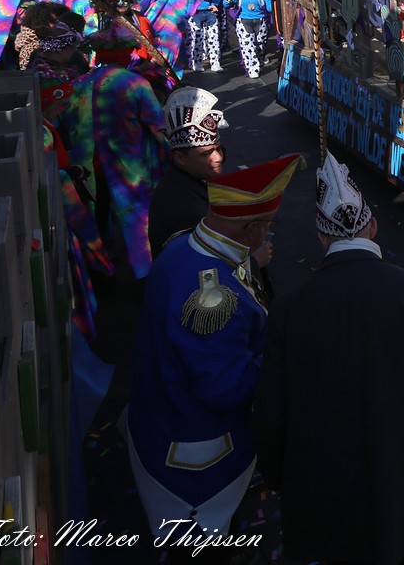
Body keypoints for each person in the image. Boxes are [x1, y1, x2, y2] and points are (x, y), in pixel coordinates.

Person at [254, 152, 404, 565]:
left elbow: (272, 409)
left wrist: (276, 475)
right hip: (398, 477)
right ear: (373, 226)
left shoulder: (288, 310)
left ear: (321, 237)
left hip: (324, 486)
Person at [122, 153, 303, 556]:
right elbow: (226, 388)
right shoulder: (214, 301)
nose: (269, 233)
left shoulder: (183, 247)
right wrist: (285, 356)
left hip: (160, 414)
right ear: (252, 229)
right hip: (196, 459)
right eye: (269, 225)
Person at [147, 87, 227, 258]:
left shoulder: (187, 180)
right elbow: (200, 267)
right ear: (180, 158)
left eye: (219, 149)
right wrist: (253, 261)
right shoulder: (182, 213)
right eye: (206, 153)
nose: (218, 157)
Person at [230, 0, 272, 79]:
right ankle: (252, 68)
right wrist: (228, 2)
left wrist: (275, 2)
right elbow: (229, 3)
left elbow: (270, 7)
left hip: (260, 21)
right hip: (244, 21)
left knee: (260, 46)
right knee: (248, 46)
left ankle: (259, 65)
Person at [189, 0, 227, 72]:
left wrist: (215, 4)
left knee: (214, 38)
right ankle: (197, 62)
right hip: (195, 12)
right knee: (197, 39)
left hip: (209, 11)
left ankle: (215, 63)